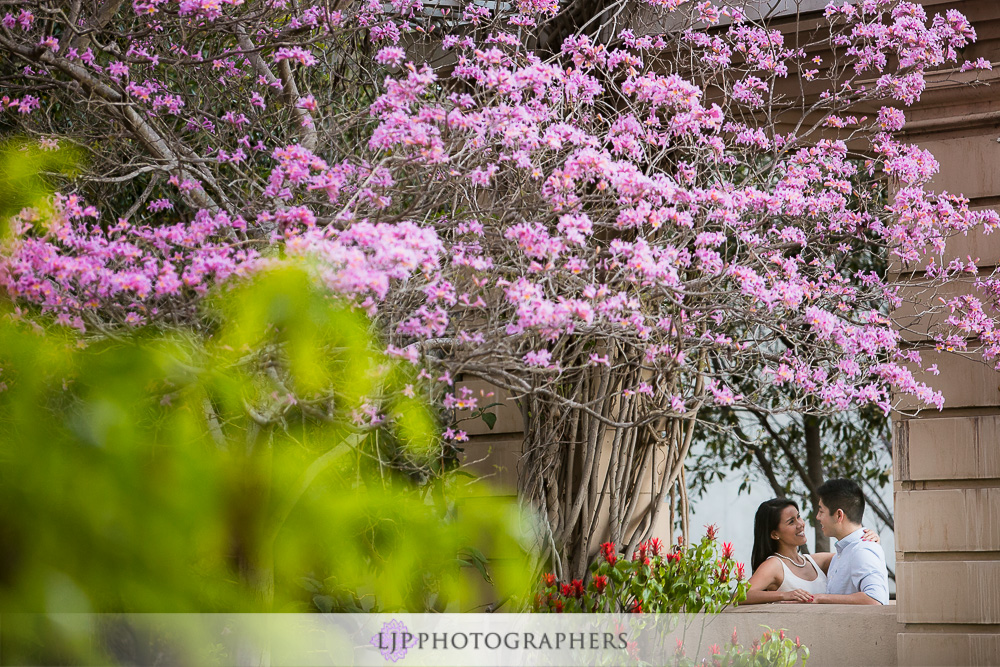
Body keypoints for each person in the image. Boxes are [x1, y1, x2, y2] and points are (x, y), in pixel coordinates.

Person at [741, 497, 880, 605]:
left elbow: (853, 555)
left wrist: (869, 540)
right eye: (791, 522)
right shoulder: (774, 565)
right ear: (774, 534)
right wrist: (785, 595)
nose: (800, 524)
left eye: (798, 517)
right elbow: (740, 596)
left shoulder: (816, 561)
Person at [809, 478, 890, 605]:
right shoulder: (843, 553)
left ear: (839, 515)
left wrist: (821, 598)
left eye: (821, 511)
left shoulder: (862, 550)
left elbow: (875, 599)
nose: (817, 517)